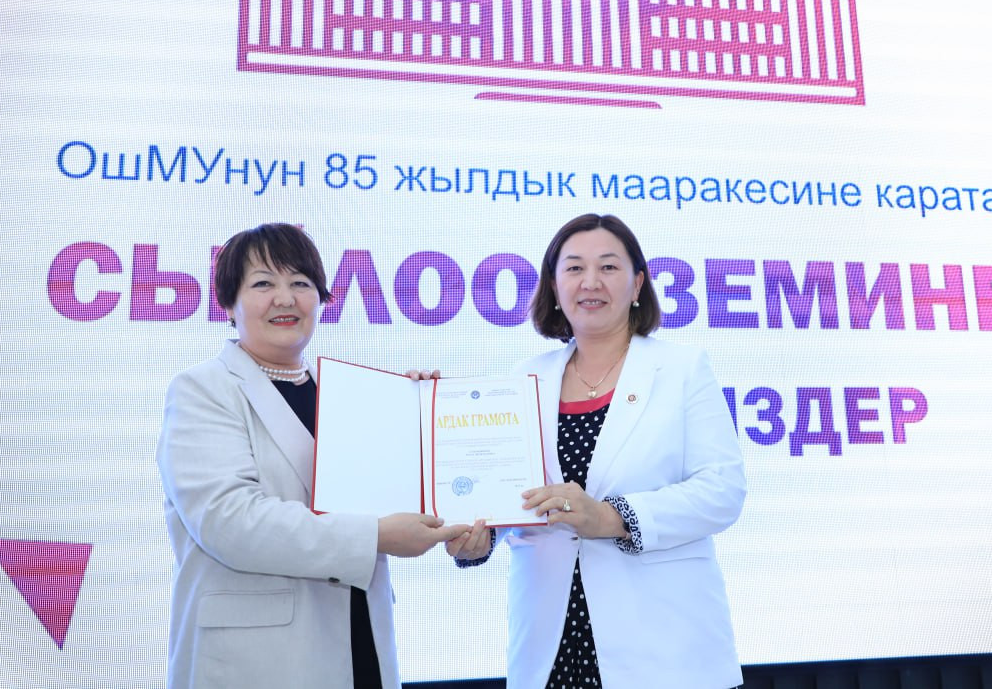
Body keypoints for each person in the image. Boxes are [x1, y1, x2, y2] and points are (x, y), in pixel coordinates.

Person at [157, 223, 469, 689]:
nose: (285, 298)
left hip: (359, 640)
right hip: (258, 660)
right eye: (263, 283)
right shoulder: (202, 389)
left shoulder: (352, 396)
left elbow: (399, 496)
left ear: (320, 299)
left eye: (300, 283)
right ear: (228, 302)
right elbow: (230, 521)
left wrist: (422, 415)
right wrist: (375, 535)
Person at [446, 213, 746, 688]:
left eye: (608, 267)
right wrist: (479, 539)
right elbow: (505, 496)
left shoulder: (682, 368)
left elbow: (722, 491)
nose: (590, 282)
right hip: (551, 644)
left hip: (664, 646)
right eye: (574, 268)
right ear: (554, 286)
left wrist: (610, 518)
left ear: (637, 284)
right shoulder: (523, 380)